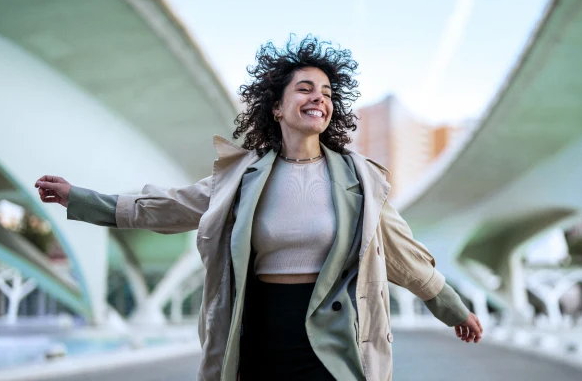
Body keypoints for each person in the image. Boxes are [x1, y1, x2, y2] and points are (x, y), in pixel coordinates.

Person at [35, 36, 483, 380]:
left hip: (333, 337)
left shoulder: (360, 180)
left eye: (327, 93)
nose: (319, 98)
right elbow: (170, 206)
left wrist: (452, 308)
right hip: (258, 333)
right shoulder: (242, 177)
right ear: (277, 107)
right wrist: (82, 199)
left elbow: (403, 252)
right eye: (305, 89)